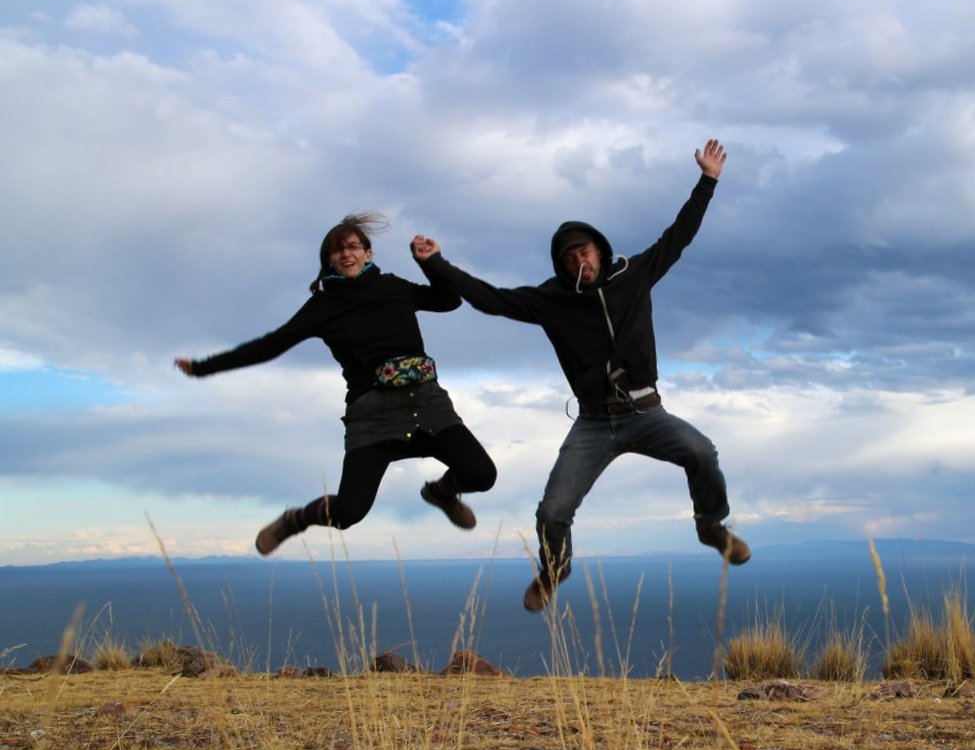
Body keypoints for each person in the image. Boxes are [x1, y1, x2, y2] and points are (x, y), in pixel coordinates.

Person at [411, 139, 749, 613]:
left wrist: (707, 181)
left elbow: (680, 235)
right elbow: (490, 298)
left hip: (646, 411)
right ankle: (555, 568)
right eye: (569, 258)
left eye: (585, 252)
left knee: (701, 451)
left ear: (599, 248)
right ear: (560, 263)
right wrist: (436, 265)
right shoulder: (551, 300)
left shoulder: (634, 274)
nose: (579, 262)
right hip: (593, 423)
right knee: (552, 512)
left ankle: (711, 526)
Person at [175, 213, 496, 555]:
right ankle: (295, 519)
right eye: (337, 250)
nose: (346, 255)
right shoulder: (323, 306)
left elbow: (449, 301)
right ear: (328, 260)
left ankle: (441, 493)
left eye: (353, 247)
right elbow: (271, 344)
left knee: (481, 475)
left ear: (368, 253)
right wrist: (205, 367)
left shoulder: (392, 287)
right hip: (372, 417)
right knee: (347, 513)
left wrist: (431, 263)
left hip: (427, 405)